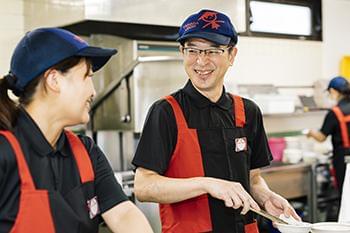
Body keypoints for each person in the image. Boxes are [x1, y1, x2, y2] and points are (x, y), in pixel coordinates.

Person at [132, 9, 299, 233]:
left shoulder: (248, 111)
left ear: (231, 55)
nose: (201, 61)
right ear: (182, 52)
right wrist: (207, 184)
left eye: (212, 50)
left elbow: (253, 179)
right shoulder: (166, 112)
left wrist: (266, 197)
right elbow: (143, 187)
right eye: (192, 50)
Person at [0, 28, 153, 233]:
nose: (93, 91)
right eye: (86, 76)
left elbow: (122, 213)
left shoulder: (86, 152)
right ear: (54, 80)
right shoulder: (5, 153)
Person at [307, 76, 350, 196]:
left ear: (333, 91)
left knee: (346, 196)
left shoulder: (335, 112)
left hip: (344, 160)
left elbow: (321, 137)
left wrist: (310, 133)